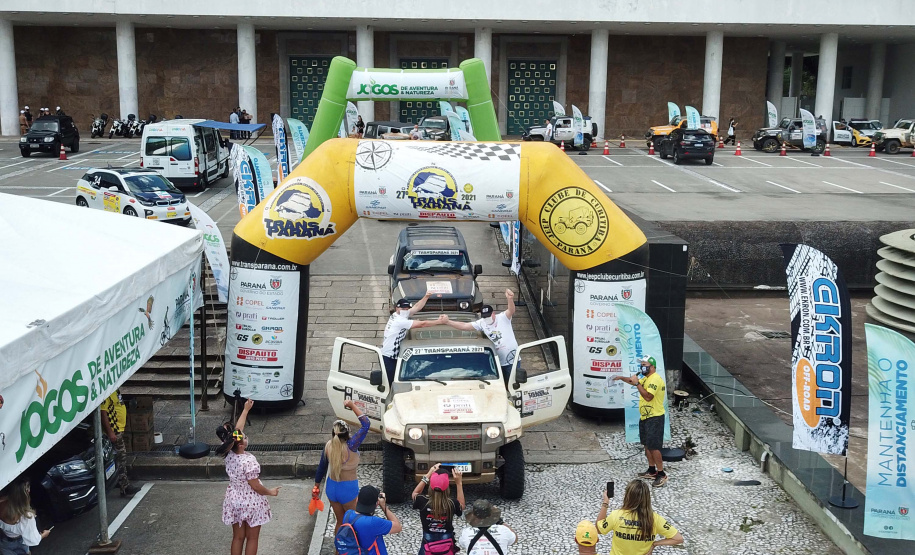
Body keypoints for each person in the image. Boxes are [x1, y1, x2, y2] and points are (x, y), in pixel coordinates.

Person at [217, 399, 280, 555]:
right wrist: (270, 492)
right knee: (252, 538)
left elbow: (237, 431)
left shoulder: (229, 455)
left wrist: (245, 410)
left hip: (234, 499)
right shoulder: (249, 461)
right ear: (241, 444)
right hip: (251, 501)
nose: (246, 438)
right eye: (244, 438)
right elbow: (255, 486)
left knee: (238, 538)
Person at [314, 399, 371, 537]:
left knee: (340, 521)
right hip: (348, 489)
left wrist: (316, 486)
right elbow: (366, 424)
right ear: (347, 434)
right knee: (352, 523)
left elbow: (322, 467)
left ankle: (338, 550)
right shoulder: (352, 446)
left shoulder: (329, 445)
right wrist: (352, 405)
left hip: (331, 487)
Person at [442, 289, 519, 387]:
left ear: (493, 313)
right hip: (496, 361)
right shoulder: (481, 323)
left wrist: (510, 299)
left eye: (489, 316)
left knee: (513, 385)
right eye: (485, 317)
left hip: (511, 359)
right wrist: (448, 322)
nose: (487, 319)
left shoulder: (503, 318)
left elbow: (511, 310)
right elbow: (465, 326)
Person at [612, 355, 668, 487]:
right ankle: (652, 470)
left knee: (654, 446)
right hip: (645, 417)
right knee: (647, 444)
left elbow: (648, 396)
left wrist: (637, 383)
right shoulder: (646, 378)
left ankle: (661, 474)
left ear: (652, 367)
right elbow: (633, 381)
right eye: (641, 365)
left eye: (645, 365)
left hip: (655, 417)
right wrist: (621, 377)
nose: (642, 367)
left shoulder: (655, 380)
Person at [595, 480, 683, 555]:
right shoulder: (655, 519)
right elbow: (678, 539)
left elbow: (598, 529)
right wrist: (654, 544)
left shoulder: (616, 515)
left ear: (627, 497)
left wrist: (605, 502)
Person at [382, 293, 444, 384]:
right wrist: (439, 322)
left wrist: (426, 296)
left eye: (407, 309)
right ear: (397, 308)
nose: (405, 311)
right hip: (390, 356)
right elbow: (423, 324)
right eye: (403, 309)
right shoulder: (400, 321)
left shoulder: (398, 315)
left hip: (389, 352)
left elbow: (417, 307)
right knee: (391, 381)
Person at [411, 464, 465, 555]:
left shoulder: (422, 501)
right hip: (446, 541)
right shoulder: (451, 503)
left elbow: (415, 493)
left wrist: (429, 474)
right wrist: (459, 483)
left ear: (431, 487)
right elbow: (462, 505)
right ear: (447, 488)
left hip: (427, 542)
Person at [100, 389, 141, 497]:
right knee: (120, 458)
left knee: (117, 458)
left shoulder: (115, 390)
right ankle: (124, 486)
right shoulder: (106, 393)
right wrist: (110, 432)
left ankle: (120, 481)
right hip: (114, 431)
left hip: (119, 429)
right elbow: (103, 413)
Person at [340, 485, 402, 555]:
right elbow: (398, 527)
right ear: (376, 504)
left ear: (357, 499)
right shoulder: (373, 522)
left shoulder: (348, 515)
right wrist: (383, 506)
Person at [0, 479, 51, 555]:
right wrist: (44, 534)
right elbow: (34, 540)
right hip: (22, 541)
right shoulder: (26, 516)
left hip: (5, 542)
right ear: (27, 492)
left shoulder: (2, 503)